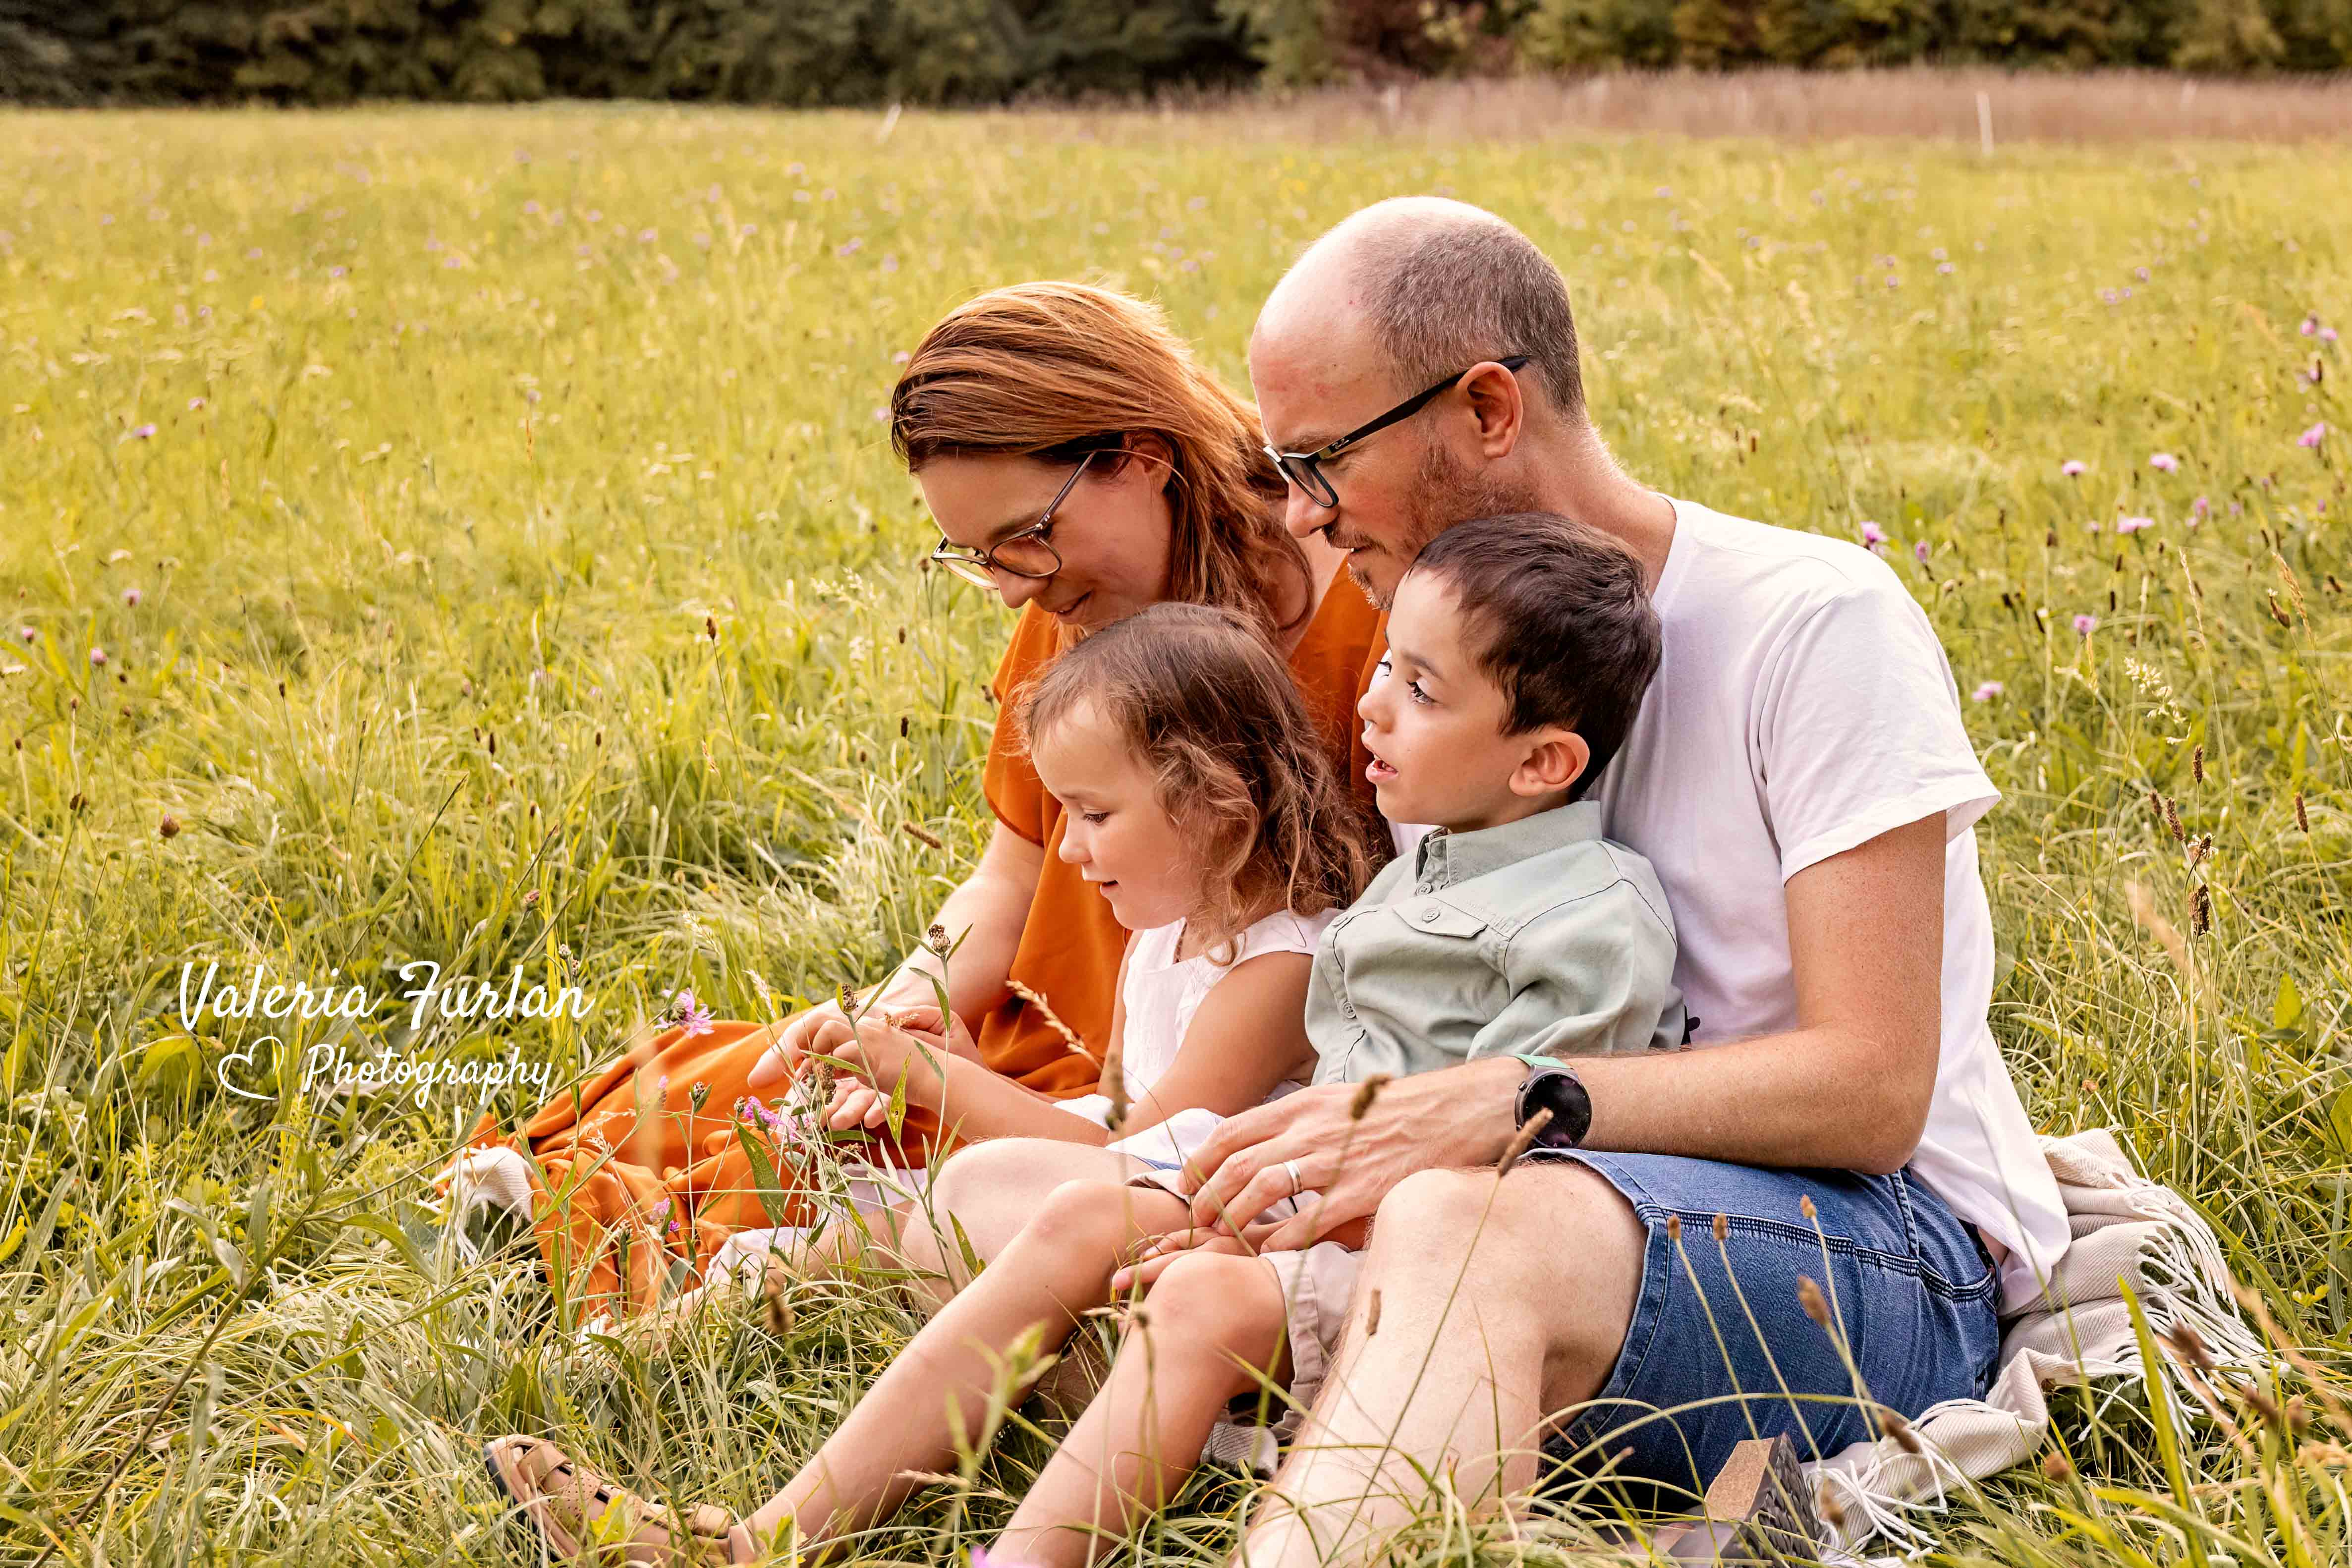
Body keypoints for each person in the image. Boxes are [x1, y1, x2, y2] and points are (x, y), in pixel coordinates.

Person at [484, 512, 1684, 1568]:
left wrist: (1240, 1212)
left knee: (1128, 1246)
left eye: (1421, 690)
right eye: (1386, 664)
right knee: (1002, 1185)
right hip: (1291, 1203)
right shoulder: (1418, 871)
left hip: (1402, 1262)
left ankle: (805, 1540)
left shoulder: (1587, 920)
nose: (1369, 701)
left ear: (1542, 761)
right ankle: (757, 1513)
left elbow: (1519, 1164)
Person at [1148, 197, 2072, 1564]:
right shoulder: (1430, 652)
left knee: (1461, 1217)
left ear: (1485, 408)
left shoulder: (1812, 621)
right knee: (1098, 1209)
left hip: (1881, 1251)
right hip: (1586, 1224)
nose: (1301, 513)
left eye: (1319, 459)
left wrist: (1502, 1101)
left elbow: (1873, 1089)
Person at [446, 281, 1386, 1316]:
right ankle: (567, 1201)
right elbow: (1017, 864)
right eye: (978, 556)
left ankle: (641, 1248)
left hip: (1187, 1077)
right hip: (1079, 1034)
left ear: (1138, 457)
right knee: (783, 1071)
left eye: (1025, 536)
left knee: (861, 1171)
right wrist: (912, 1002)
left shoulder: (1368, 602)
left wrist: (939, 1075)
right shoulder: (1079, 601)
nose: (1012, 585)